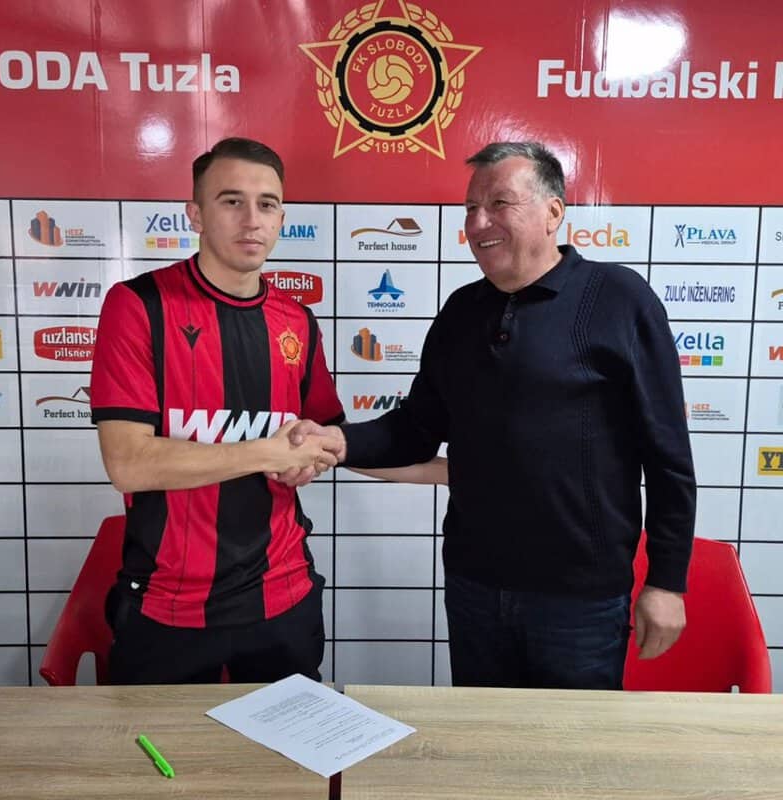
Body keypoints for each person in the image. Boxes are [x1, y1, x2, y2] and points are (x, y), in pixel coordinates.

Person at [284, 141, 696, 690]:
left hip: (580, 602)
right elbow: (414, 430)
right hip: (474, 587)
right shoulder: (461, 311)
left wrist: (666, 581)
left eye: (500, 203)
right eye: (471, 208)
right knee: (481, 739)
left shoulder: (619, 299)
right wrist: (336, 441)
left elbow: (668, 456)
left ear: (553, 212)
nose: (479, 223)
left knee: (570, 743)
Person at [90, 137, 444, 685]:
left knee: (291, 743)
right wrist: (266, 453)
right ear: (195, 214)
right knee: (164, 745)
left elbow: (333, 442)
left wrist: (453, 472)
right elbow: (128, 464)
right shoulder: (138, 305)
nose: (251, 220)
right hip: (168, 607)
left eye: (267, 204)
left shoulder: (295, 321)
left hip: (283, 598)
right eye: (231, 201)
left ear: (281, 218)